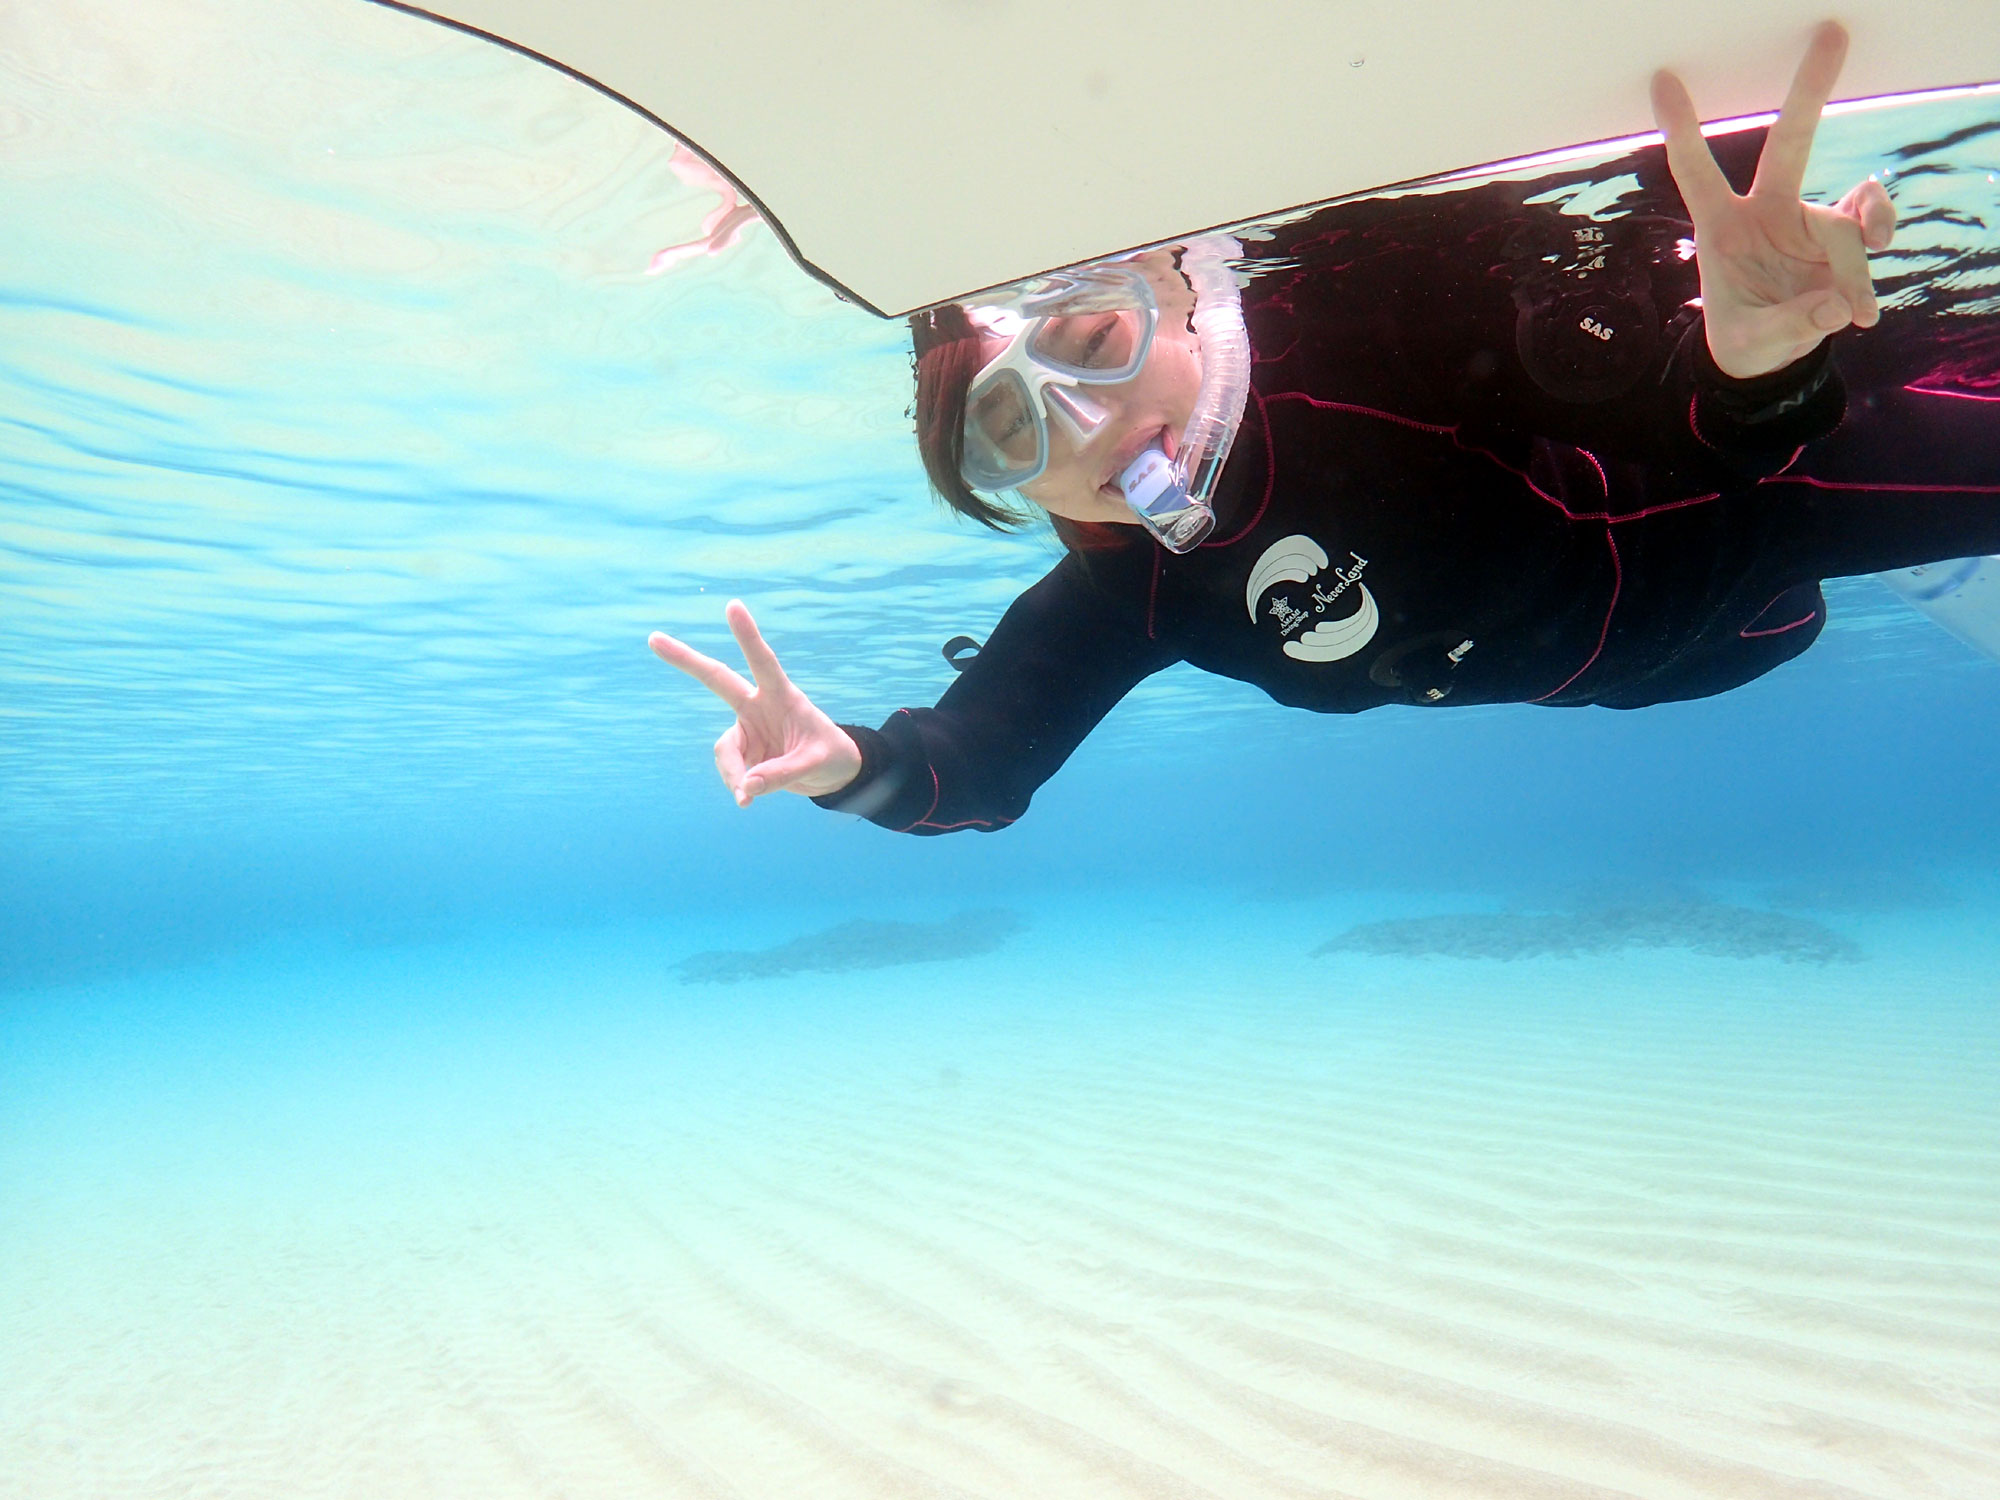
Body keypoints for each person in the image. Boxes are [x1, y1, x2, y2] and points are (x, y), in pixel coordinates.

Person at [649, 24, 1999, 835]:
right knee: (1795, 611)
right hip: (1680, 664)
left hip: (1773, 507)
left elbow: (1693, 418)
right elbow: (978, 766)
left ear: (1179, 285)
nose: (1092, 423)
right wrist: (849, 772)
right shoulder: (1134, 593)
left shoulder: (1369, 320)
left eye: (1093, 342)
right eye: (1011, 427)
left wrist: (1754, 363)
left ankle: (1933, 554)